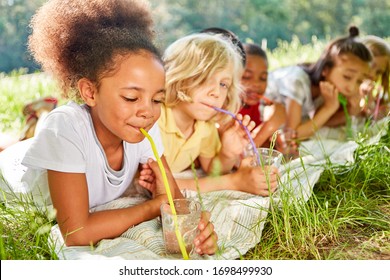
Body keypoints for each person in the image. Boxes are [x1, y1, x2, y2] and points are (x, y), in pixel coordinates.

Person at [0, 0, 217, 254]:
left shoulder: (143, 123)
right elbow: (76, 232)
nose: (148, 110)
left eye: (157, 99)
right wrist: (152, 206)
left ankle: (32, 124)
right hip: (11, 174)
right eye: (131, 98)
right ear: (90, 92)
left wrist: (199, 231)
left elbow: (174, 201)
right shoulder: (66, 127)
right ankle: (31, 125)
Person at [153, 32, 279, 196]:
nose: (216, 92)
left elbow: (212, 169)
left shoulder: (204, 126)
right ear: (179, 76)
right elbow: (159, 186)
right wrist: (234, 182)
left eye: (223, 84)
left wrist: (227, 153)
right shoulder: (155, 117)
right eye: (206, 78)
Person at [265, 26, 372, 139]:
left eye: (360, 81)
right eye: (347, 77)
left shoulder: (329, 90)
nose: (351, 87)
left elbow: (322, 123)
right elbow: (292, 135)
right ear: (326, 69)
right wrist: (329, 108)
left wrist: (351, 111)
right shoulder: (297, 82)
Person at [239, 43, 286, 147]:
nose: (257, 84)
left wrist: (278, 144)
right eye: (247, 76)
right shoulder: (225, 111)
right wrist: (270, 124)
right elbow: (238, 155)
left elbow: (256, 142)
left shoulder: (254, 106)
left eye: (263, 78)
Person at [359, 35, 390, 119]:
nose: (372, 75)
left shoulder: (376, 99)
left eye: (378, 72)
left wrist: (369, 103)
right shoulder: (345, 91)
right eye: (371, 66)